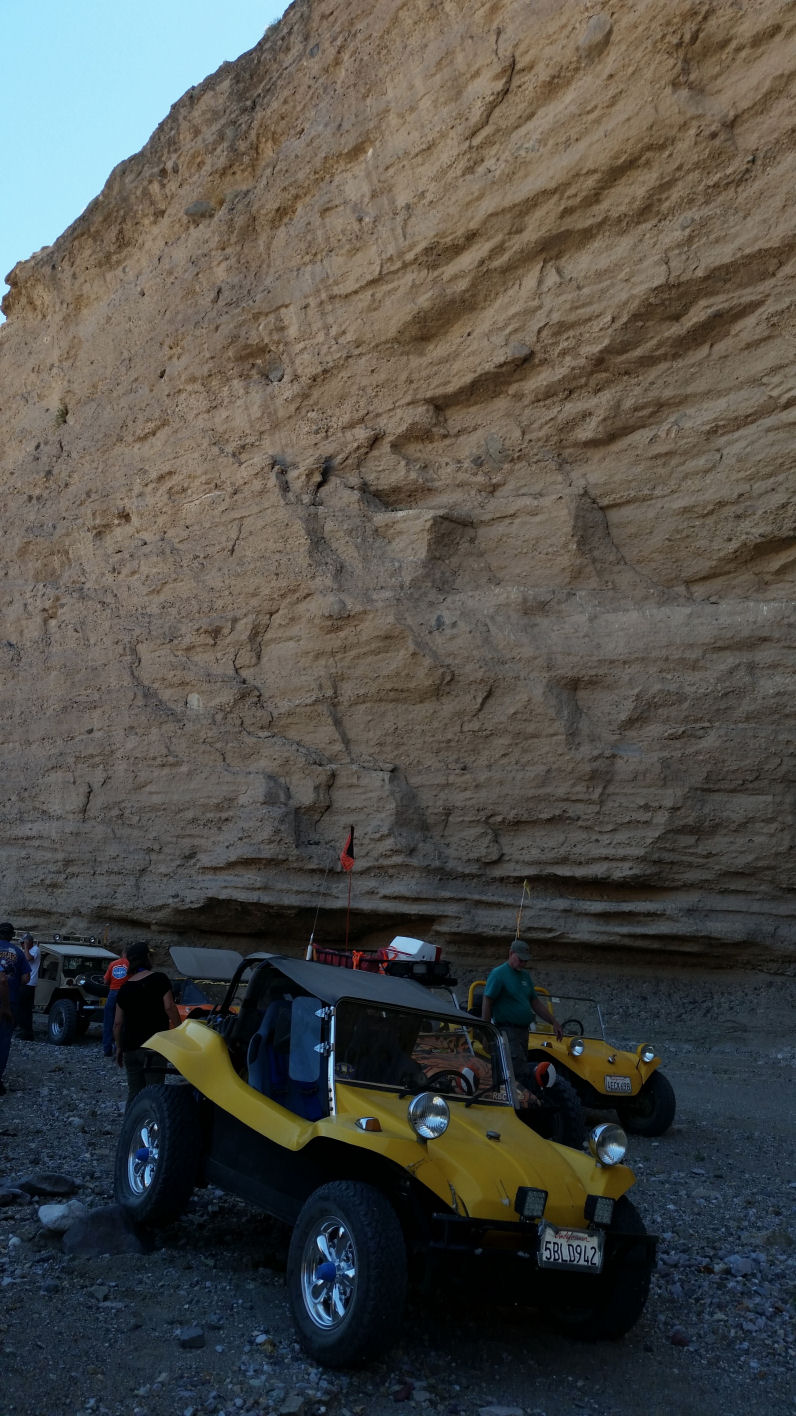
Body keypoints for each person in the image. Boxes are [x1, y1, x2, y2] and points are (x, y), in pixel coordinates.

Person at [481, 939, 563, 1086]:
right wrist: (486, 1031)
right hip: (507, 1029)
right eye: (520, 960)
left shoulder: (525, 976)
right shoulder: (499, 974)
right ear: (511, 953)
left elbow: (535, 1002)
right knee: (516, 1069)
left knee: (521, 1064)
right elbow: (487, 1000)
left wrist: (553, 1022)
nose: (523, 963)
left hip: (523, 1031)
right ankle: (517, 1096)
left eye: (525, 961)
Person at [113, 941, 180, 1106]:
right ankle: (150, 1122)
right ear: (147, 957)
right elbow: (169, 1007)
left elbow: (117, 1023)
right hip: (154, 1047)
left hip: (130, 1048)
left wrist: (119, 1047)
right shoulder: (160, 979)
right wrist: (180, 1031)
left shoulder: (124, 988)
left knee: (134, 1092)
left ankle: (131, 1122)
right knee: (154, 1092)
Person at [0, 923, 30, 1095]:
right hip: (9, 1001)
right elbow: (26, 978)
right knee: (3, 1039)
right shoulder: (18, 952)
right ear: (12, 936)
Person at [102, 950, 130, 1057]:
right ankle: (122, 1047)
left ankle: (107, 1049)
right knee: (124, 1021)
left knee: (108, 1021)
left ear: (122, 954)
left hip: (112, 993)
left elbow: (105, 981)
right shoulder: (131, 964)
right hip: (125, 993)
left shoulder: (113, 964)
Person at [14, 933, 40, 1041]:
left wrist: (25, 946)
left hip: (29, 983)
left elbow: (28, 958)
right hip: (25, 983)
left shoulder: (35, 949)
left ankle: (25, 1032)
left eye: (23, 942)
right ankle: (25, 1031)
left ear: (28, 942)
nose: (22, 945)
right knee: (23, 1008)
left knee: (24, 1009)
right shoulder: (27, 950)